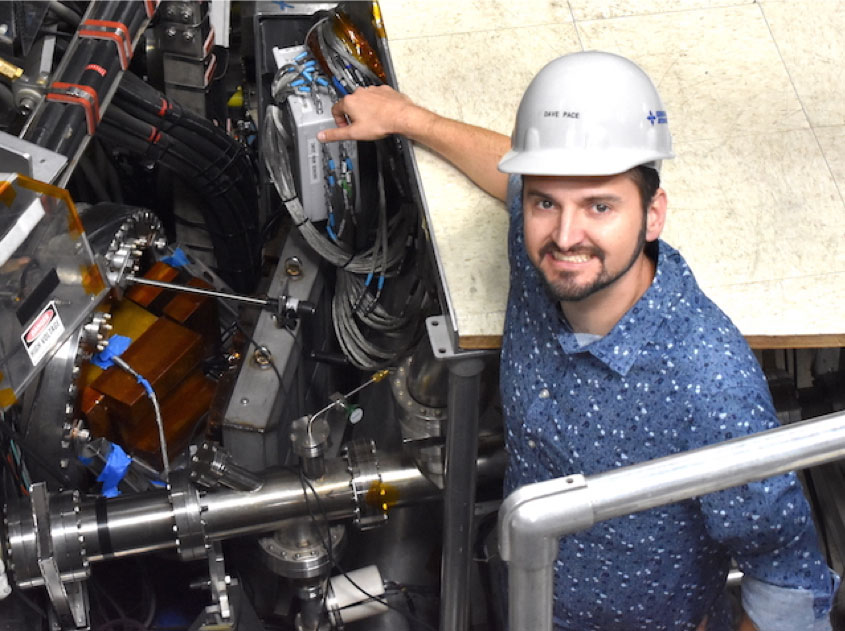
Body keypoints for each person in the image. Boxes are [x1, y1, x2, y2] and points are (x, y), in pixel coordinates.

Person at [318, 51, 837, 630]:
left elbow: (788, 579)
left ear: (653, 214)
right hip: (527, 593)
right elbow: (513, 172)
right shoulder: (541, 247)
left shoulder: (706, 382)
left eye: (600, 205)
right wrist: (410, 118)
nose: (567, 237)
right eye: (547, 203)